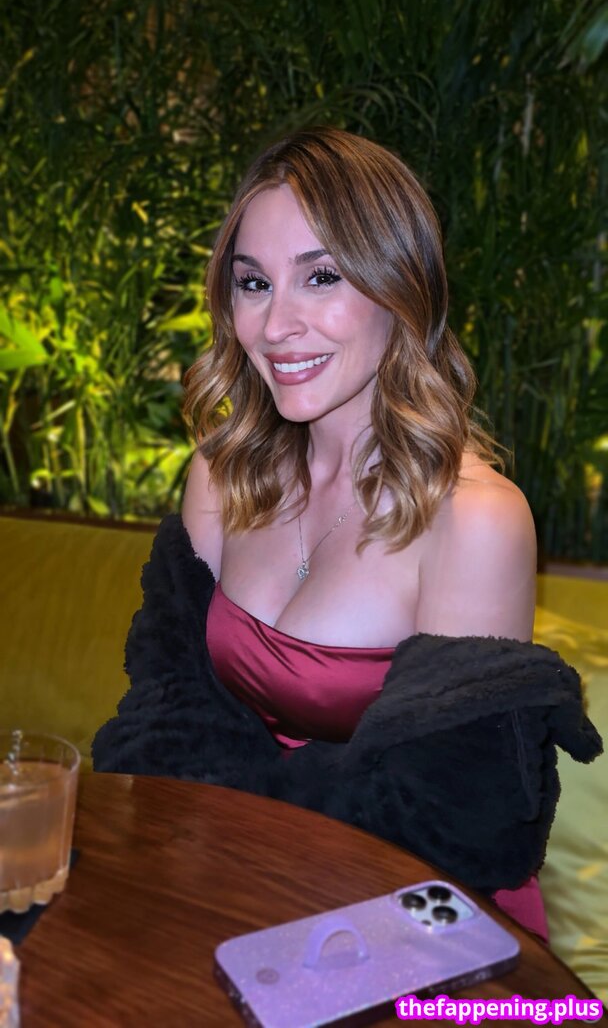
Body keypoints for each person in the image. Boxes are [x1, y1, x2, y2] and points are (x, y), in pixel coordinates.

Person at [92, 127, 602, 941]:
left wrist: (228, 847)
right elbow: (163, 710)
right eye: (253, 283)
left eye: (320, 277)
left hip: (418, 924)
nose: (276, 325)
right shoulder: (222, 473)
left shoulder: (473, 517)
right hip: (227, 882)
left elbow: (450, 816)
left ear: (400, 286)